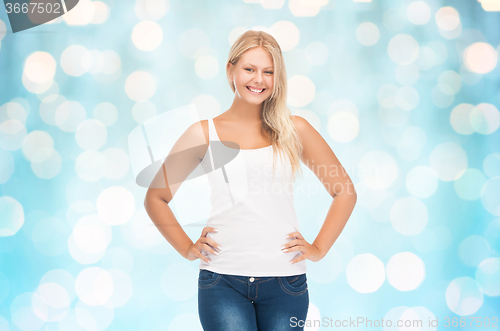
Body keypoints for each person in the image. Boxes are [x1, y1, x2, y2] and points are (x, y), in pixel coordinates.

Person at [144, 30, 357, 331]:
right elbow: (156, 197)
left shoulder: (295, 130)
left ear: (277, 78)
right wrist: (187, 248)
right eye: (249, 69)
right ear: (230, 70)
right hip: (221, 282)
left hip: (285, 283)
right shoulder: (204, 134)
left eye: (268, 72)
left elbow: (344, 191)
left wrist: (319, 248)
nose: (259, 79)